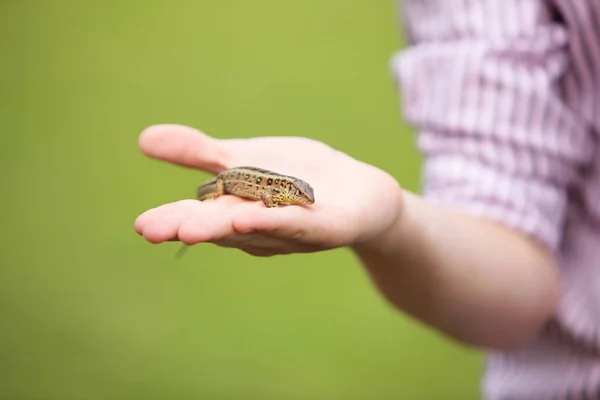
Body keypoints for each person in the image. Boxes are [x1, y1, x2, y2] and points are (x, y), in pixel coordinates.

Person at [134, 1, 600, 398]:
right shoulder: (264, 189)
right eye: (296, 193)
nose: (298, 197)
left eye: (298, 193)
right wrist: (395, 224)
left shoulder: (283, 192)